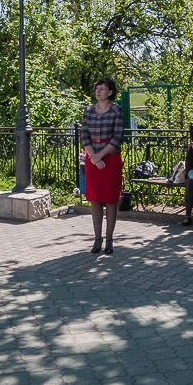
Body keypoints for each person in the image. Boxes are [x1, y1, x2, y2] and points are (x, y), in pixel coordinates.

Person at [81, 77, 124, 255]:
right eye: (97, 88)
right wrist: (93, 156)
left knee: (111, 199)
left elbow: (118, 136)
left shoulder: (116, 110)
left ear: (110, 92)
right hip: (92, 160)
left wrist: (100, 155)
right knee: (95, 200)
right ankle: (97, 239)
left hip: (111, 159)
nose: (98, 91)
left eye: (102, 89)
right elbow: (84, 135)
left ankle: (109, 239)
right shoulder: (88, 110)